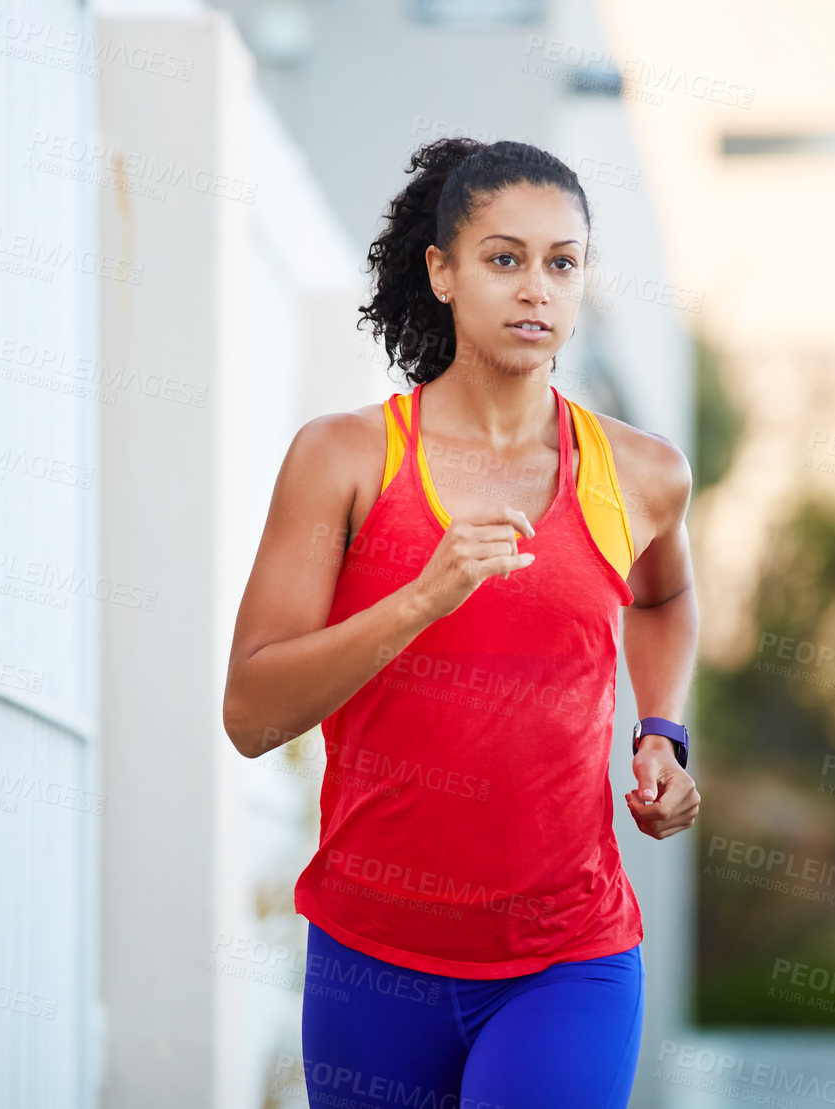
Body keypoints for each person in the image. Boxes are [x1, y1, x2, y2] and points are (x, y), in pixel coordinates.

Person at [223, 137, 700, 1109]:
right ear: (441, 272)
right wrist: (421, 597)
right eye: (504, 258)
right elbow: (251, 713)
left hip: (566, 955)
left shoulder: (641, 472)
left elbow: (663, 598)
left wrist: (662, 727)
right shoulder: (346, 460)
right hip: (372, 957)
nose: (536, 288)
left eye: (561, 262)